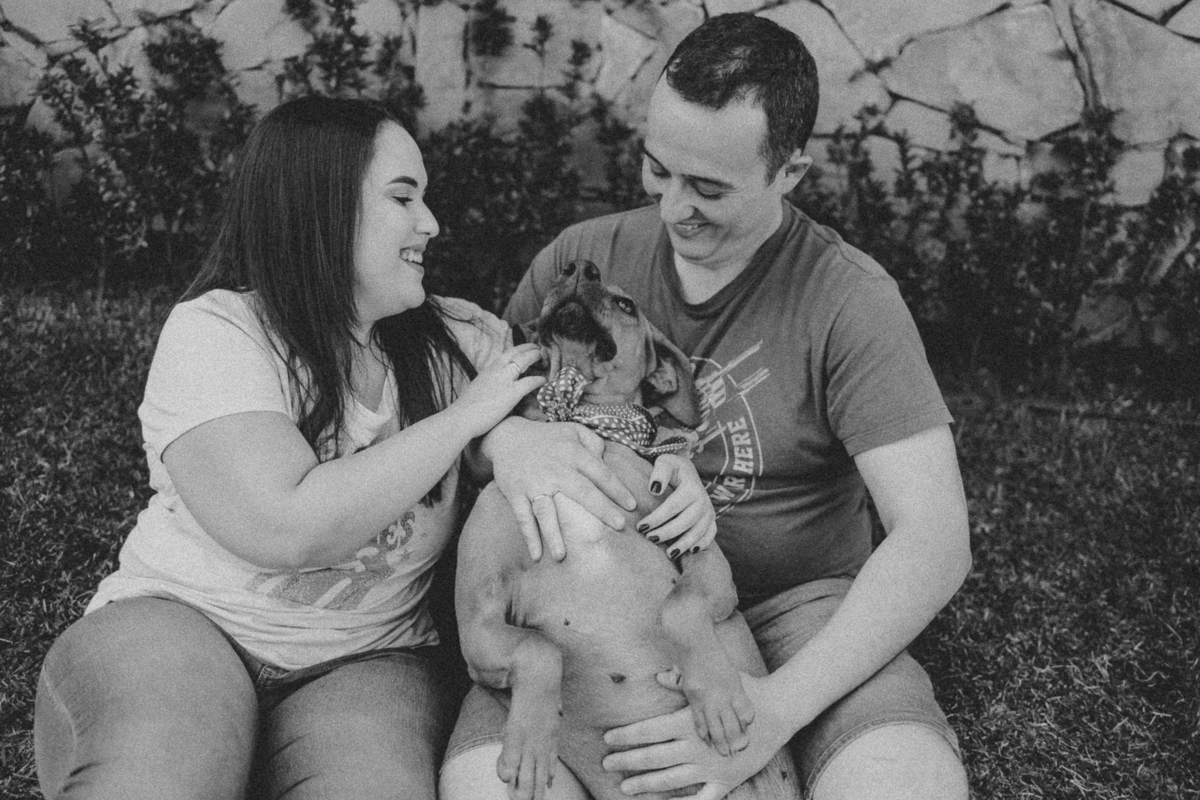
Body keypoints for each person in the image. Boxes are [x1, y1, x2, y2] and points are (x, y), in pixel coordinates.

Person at [32, 95, 714, 800]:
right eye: (403, 197)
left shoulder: (465, 342)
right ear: (322, 208)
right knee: (162, 778)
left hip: (365, 661)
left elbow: (586, 410)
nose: (431, 222)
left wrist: (672, 466)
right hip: (185, 623)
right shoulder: (219, 332)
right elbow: (290, 528)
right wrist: (468, 420)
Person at [440, 13, 971, 800]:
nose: (672, 208)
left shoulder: (848, 300)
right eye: (659, 170)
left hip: (796, 612)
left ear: (790, 171)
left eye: (709, 188)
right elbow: (464, 423)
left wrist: (775, 708)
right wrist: (503, 442)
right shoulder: (583, 264)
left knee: (905, 786)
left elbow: (935, 539)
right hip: (577, 616)